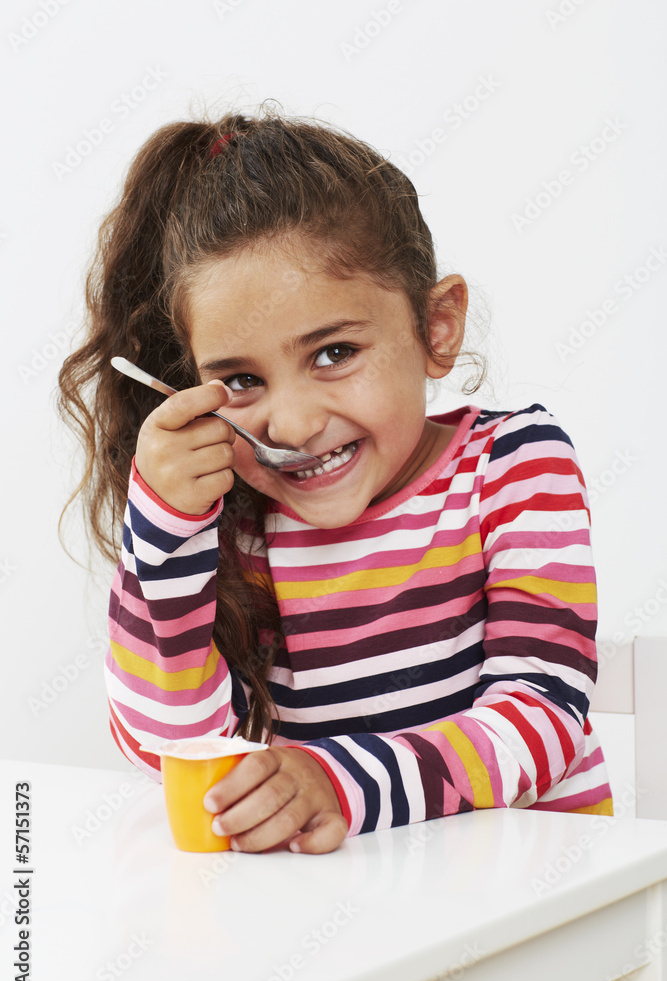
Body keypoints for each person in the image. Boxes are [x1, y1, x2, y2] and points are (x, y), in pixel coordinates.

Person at [58, 105, 613, 863]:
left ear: (436, 326)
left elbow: (540, 718)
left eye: (332, 354)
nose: (289, 424)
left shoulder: (511, 465)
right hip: (348, 925)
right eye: (243, 379)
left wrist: (336, 784)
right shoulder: (241, 524)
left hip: (536, 908)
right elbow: (172, 750)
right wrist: (163, 529)